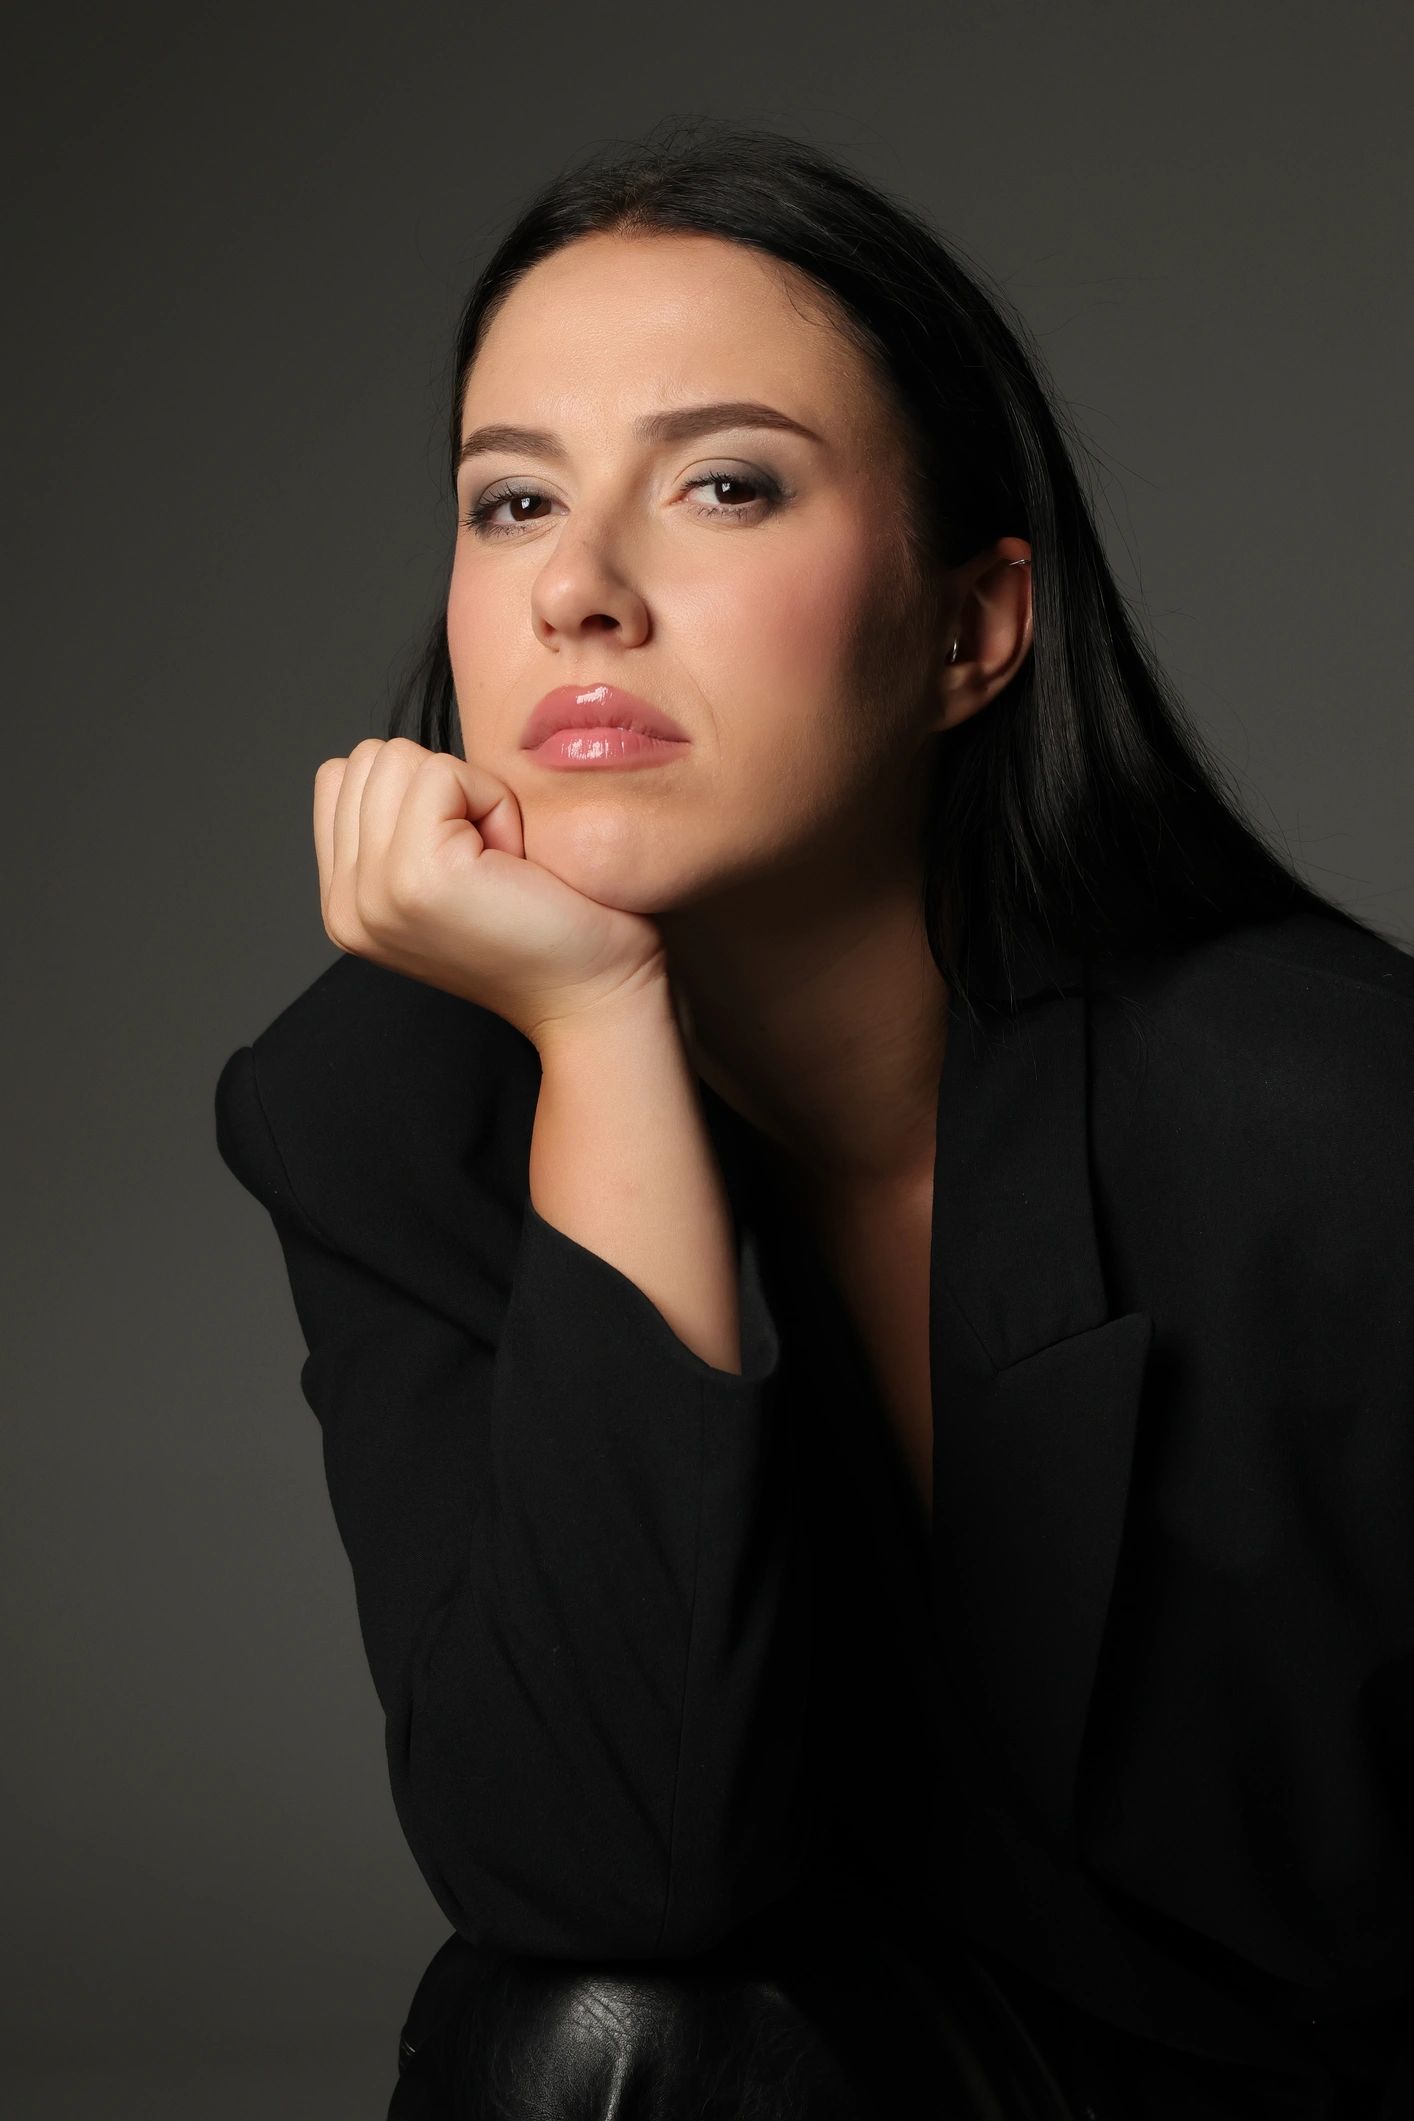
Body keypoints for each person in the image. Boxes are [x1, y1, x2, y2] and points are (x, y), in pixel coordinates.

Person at [213, 120, 1414, 2118]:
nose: (579, 589)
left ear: (969, 630)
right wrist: (598, 1033)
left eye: (723, 484)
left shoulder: (1329, 1116)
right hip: (917, 2068)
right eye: (512, 500)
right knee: (582, 2032)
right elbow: (607, 1859)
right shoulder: (379, 1107)